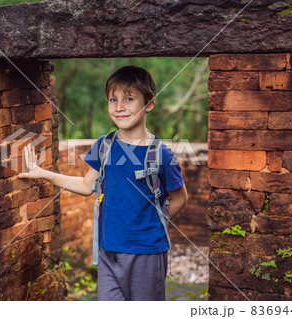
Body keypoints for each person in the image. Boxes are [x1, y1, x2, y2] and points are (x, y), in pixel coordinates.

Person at [19, 65, 188, 301]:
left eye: (129, 98)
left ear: (149, 104)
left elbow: (180, 197)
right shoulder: (104, 145)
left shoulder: (162, 154)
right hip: (108, 252)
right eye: (113, 99)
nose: (119, 107)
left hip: (146, 253)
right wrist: (42, 173)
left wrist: (154, 224)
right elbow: (86, 186)